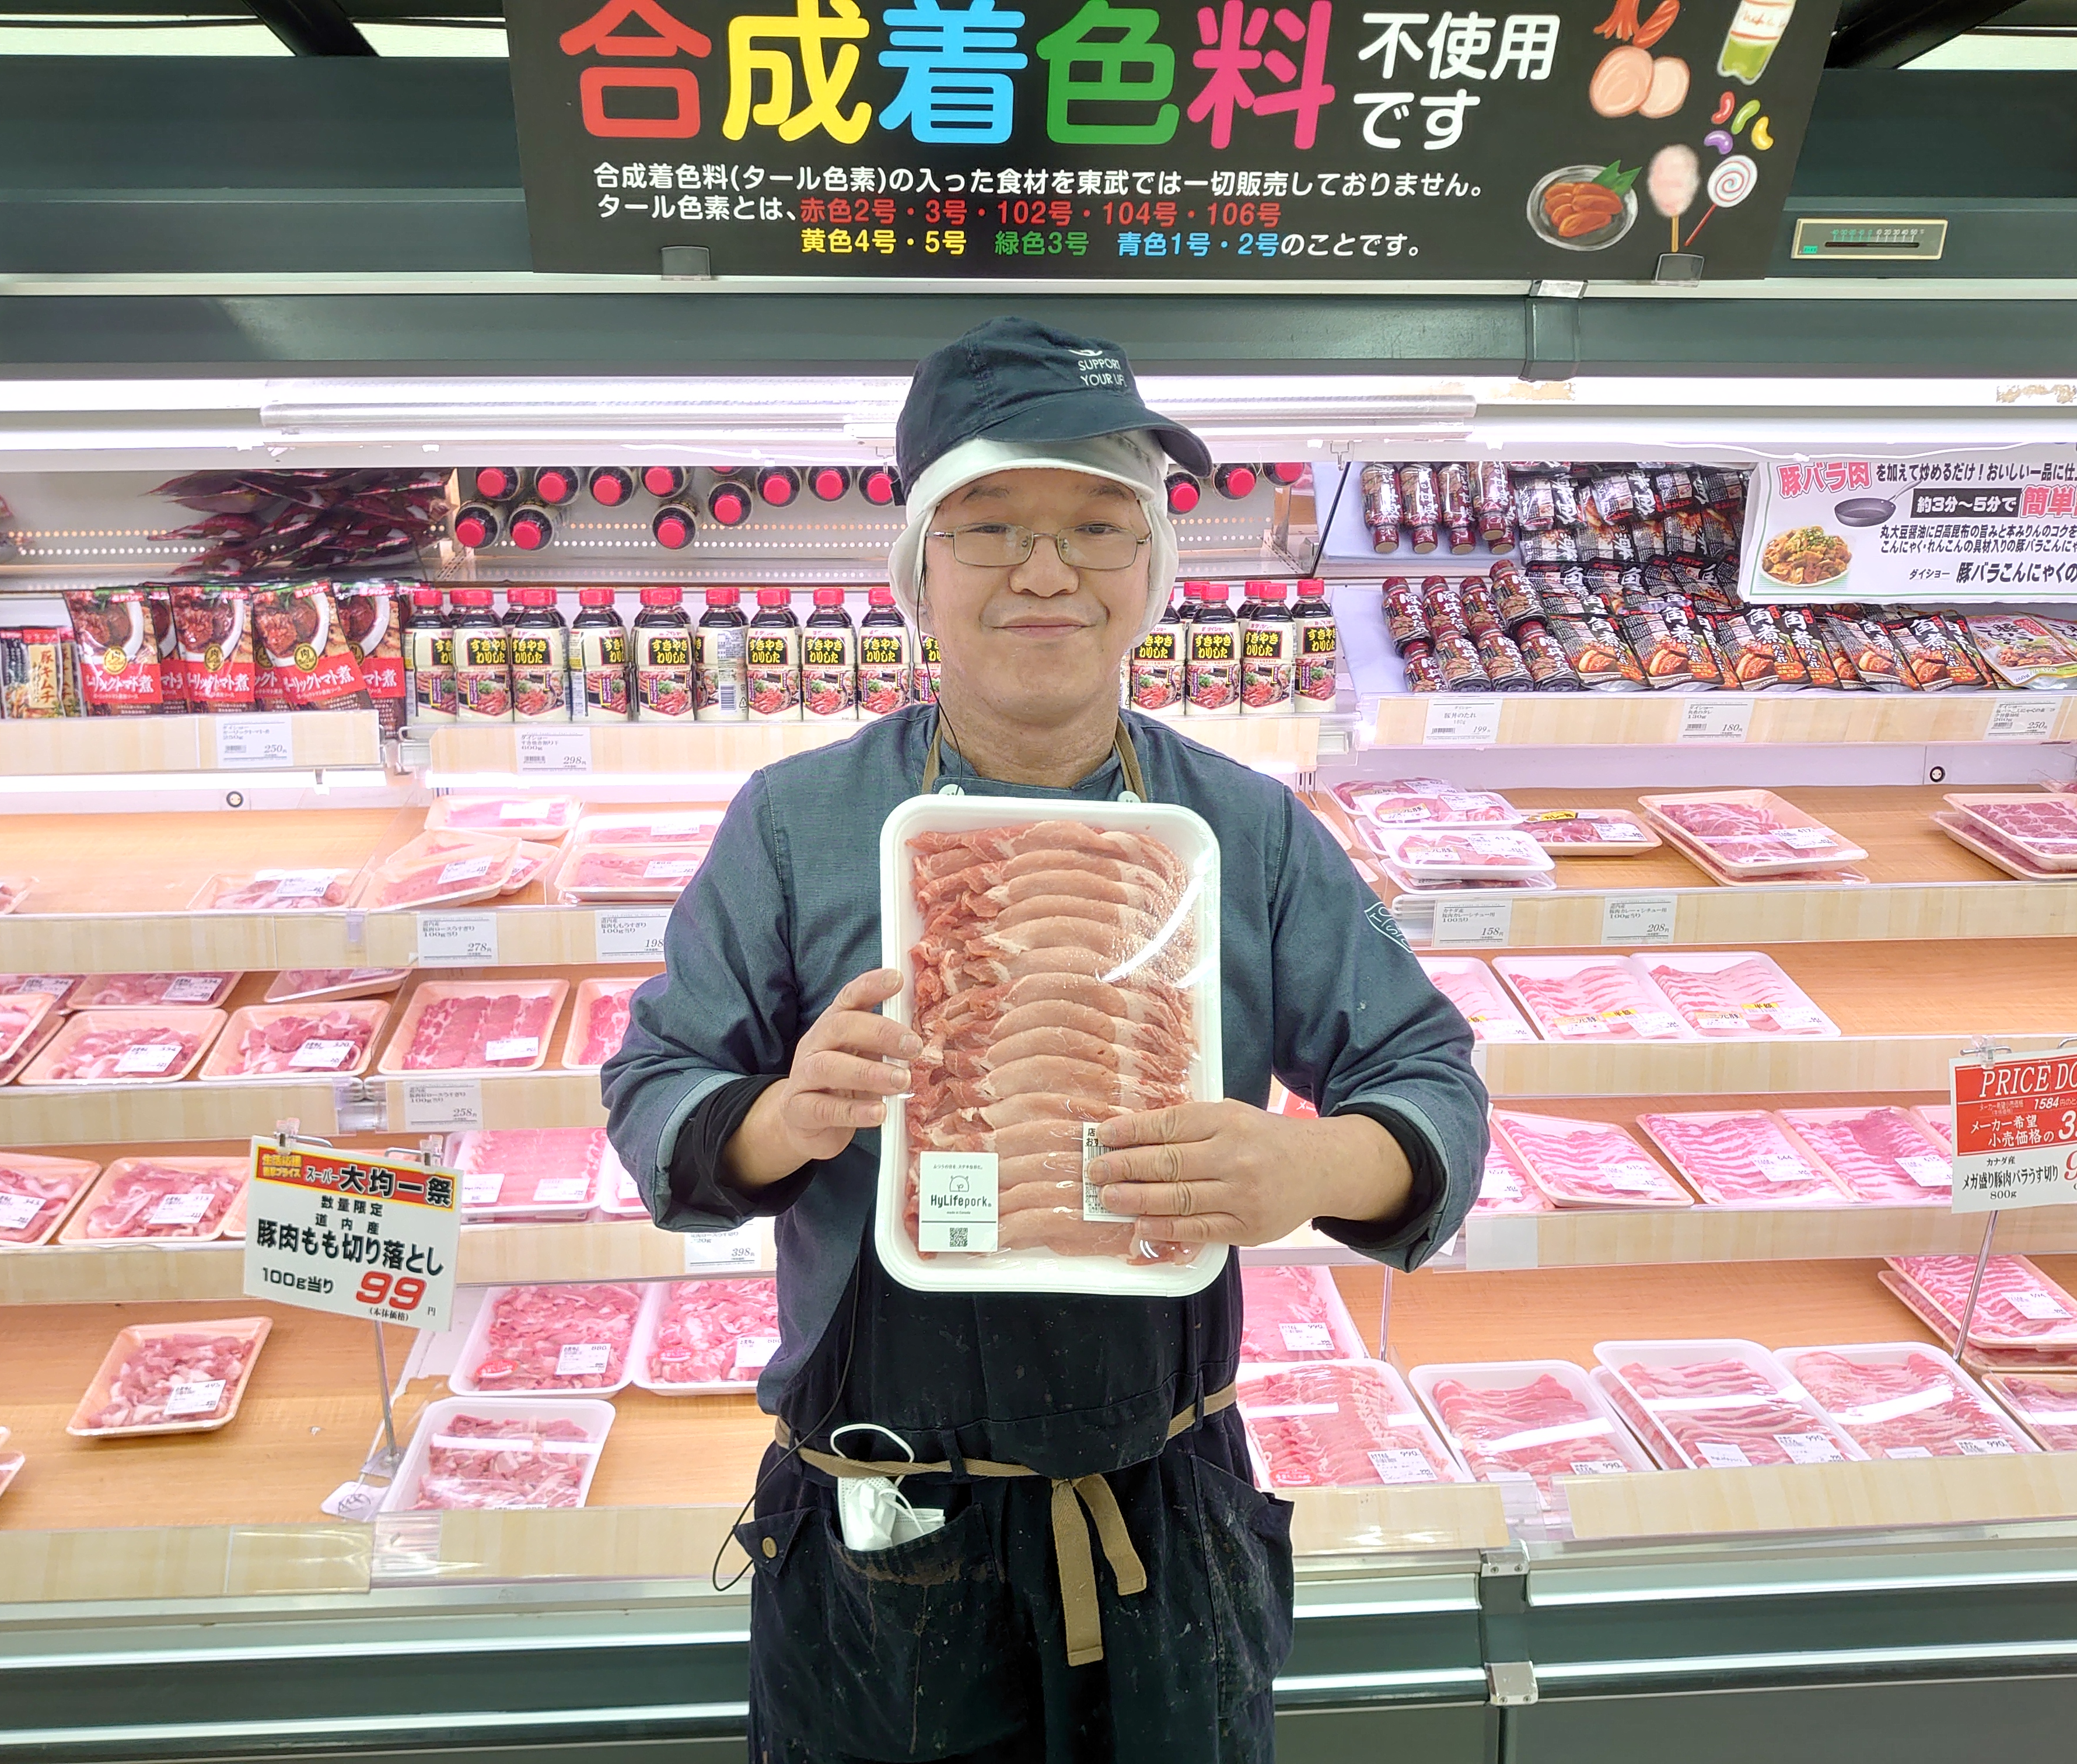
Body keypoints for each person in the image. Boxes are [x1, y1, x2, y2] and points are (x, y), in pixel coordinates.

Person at [603, 316, 1489, 1764]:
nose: (1045, 570)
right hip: (883, 1525)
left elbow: (1426, 1074)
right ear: (920, 569)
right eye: (992, 524)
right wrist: (784, 1117)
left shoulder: (1248, 830)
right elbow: (656, 1085)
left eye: (1097, 524)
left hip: (1162, 1519)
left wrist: (1315, 1166)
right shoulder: (796, 824)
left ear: (1152, 569)